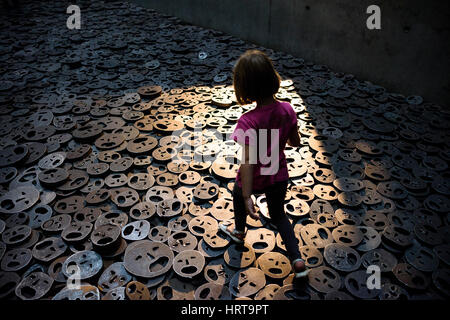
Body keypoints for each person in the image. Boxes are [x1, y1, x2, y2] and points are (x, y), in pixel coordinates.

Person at [218, 49, 308, 278]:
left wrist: (248, 196)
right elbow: (295, 142)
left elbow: (247, 163)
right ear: (272, 77)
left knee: (237, 194)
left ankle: (239, 231)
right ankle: (297, 260)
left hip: (256, 176)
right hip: (278, 174)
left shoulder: (248, 121)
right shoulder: (287, 109)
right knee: (279, 215)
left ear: (244, 88)